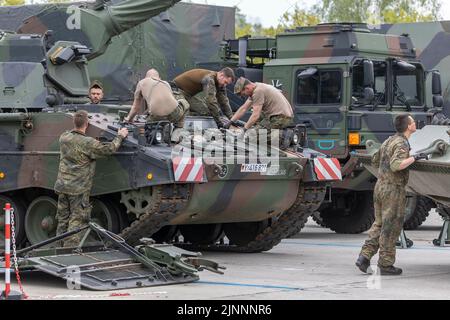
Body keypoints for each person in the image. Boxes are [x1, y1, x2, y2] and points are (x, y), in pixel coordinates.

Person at [355, 114, 428, 275]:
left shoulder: (389, 140)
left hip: (380, 186)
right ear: (408, 126)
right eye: (413, 122)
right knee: (392, 227)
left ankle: (364, 256)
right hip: (393, 190)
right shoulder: (402, 143)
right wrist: (413, 158)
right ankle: (386, 264)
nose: (415, 123)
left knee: (379, 224)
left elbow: (375, 160)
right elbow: (396, 165)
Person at [54, 110, 128, 247]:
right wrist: (120, 136)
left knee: (63, 220)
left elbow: (73, 133)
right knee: (77, 221)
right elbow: (109, 149)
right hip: (78, 189)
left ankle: (57, 248)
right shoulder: (88, 143)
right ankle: (69, 251)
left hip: (62, 186)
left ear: (73, 122)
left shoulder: (63, 137)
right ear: (87, 124)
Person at [124, 69, 189, 128]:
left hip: (155, 117)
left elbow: (136, 107)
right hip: (174, 114)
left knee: (149, 129)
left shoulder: (141, 83)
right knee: (184, 102)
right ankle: (178, 127)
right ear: (159, 78)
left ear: (146, 77)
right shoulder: (166, 83)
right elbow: (169, 101)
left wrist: (129, 119)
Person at [229, 77, 294, 131]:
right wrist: (230, 122)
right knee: (254, 125)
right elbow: (244, 108)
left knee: (252, 136)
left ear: (247, 88)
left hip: (281, 118)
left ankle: (283, 135)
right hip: (279, 116)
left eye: (244, 93)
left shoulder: (258, 91)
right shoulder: (257, 86)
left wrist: (244, 130)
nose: (244, 95)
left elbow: (255, 115)